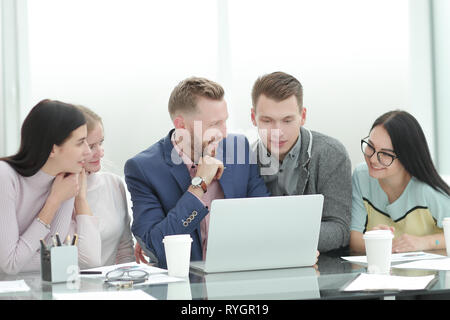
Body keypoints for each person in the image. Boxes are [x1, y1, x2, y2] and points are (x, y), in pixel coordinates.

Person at [125, 77, 270, 268]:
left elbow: (266, 216)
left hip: (239, 276)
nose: (224, 133)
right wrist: (199, 184)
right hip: (184, 285)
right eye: (214, 124)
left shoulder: (238, 148)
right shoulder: (143, 169)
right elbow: (156, 248)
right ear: (181, 124)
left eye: (224, 122)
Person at [250, 71, 352, 252]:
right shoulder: (245, 159)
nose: (277, 131)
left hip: (321, 268)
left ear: (302, 116)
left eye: (287, 120)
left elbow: (340, 229)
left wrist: (282, 239)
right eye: (267, 121)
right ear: (253, 118)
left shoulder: (331, 154)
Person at [0, 99, 101, 274]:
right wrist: (53, 202)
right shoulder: (5, 176)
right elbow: (11, 264)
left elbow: (55, 257)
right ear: (52, 149)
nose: (88, 151)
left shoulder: (66, 179)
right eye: (80, 143)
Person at [350, 110, 450, 253]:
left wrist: (424, 242)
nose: (372, 159)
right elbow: (354, 239)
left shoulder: (427, 191)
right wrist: (377, 241)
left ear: (406, 157)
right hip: (381, 272)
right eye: (370, 146)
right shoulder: (361, 176)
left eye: (385, 154)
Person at [75, 105, 135, 266]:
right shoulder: (57, 192)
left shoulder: (113, 184)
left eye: (100, 143)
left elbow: (125, 249)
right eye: (91, 146)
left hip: (111, 287)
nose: (100, 152)